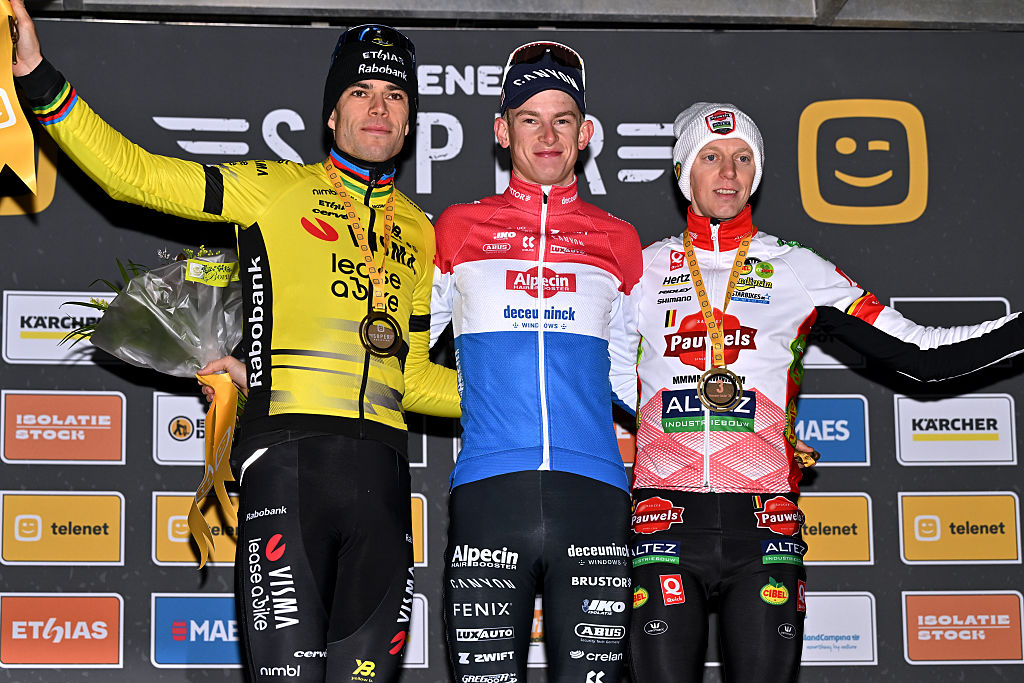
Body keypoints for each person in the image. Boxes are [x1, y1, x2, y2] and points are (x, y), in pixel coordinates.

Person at [10, 3, 460, 681]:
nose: (378, 108)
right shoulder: (275, 191)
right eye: (360, 92)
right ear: (331, 116)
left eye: (395, 95)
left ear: (409, 120)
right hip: (289, 468)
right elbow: (132, 174)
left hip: (385, 482)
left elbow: (418, 378)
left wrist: (541, 401)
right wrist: (41, 81)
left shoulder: (421, 233)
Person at [625, 101, 1024, 682]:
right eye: (711, 157)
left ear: (757, 174)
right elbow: (594, 376)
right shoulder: (638, 270)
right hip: (664, 520)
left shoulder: (796, 268)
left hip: (764, 523)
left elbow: (923, 355)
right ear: (684, 170)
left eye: (743, 159)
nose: (728, 173)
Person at [429, 41, 643, 683]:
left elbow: (636, 374)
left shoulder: (619, 240)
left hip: (596, 494)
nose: (547, 135)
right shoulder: (457, 229)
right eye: (529, 118)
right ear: (502, 130)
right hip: (491, 492)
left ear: (586, 134)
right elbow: (398, 355)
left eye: (563, 119)